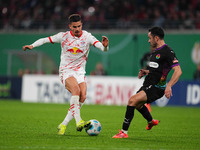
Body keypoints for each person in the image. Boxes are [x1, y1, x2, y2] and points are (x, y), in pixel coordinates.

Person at [22, 14, 109, 135]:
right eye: (74, 27)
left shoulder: (88, 36)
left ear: (81, 25)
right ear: (70, 26)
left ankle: (63, 124)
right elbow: (45, 39)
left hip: (80, 72)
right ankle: (79, 121)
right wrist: (32, 45)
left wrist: (105, 46)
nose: (77, 29)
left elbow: (102, 48)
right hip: (66, 71)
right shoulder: (63, 36)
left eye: (79, 26)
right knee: (76, 91)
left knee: (82, 97)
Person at [113, 26, 182, 138]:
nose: (148, 40)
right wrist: (146, 72)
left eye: (150, 38)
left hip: (156, 87)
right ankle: (151, 121)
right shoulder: (156, 52)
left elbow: (178, 71)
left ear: (156, 38)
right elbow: (158, 70)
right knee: (138, 105)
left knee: (132, 101)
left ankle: (123, 133)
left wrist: (169, 85)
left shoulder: (167, 51)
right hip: (148, 84)